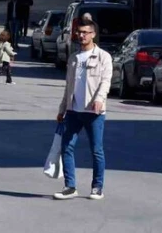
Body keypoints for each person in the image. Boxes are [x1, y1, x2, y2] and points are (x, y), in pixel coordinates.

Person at [54, 16, 112, 201]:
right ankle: (70, 186)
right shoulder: (73, 58)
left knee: (96, 150)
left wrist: (100, 99)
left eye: (85, 33)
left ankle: (97, 187)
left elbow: (105, 81)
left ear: (93, 34)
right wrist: (62, 108)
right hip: (73, 111)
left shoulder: (103, 57)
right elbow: (68, 86)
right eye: (79, 32)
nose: (81, 36)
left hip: (94, 112)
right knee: (66, 147)